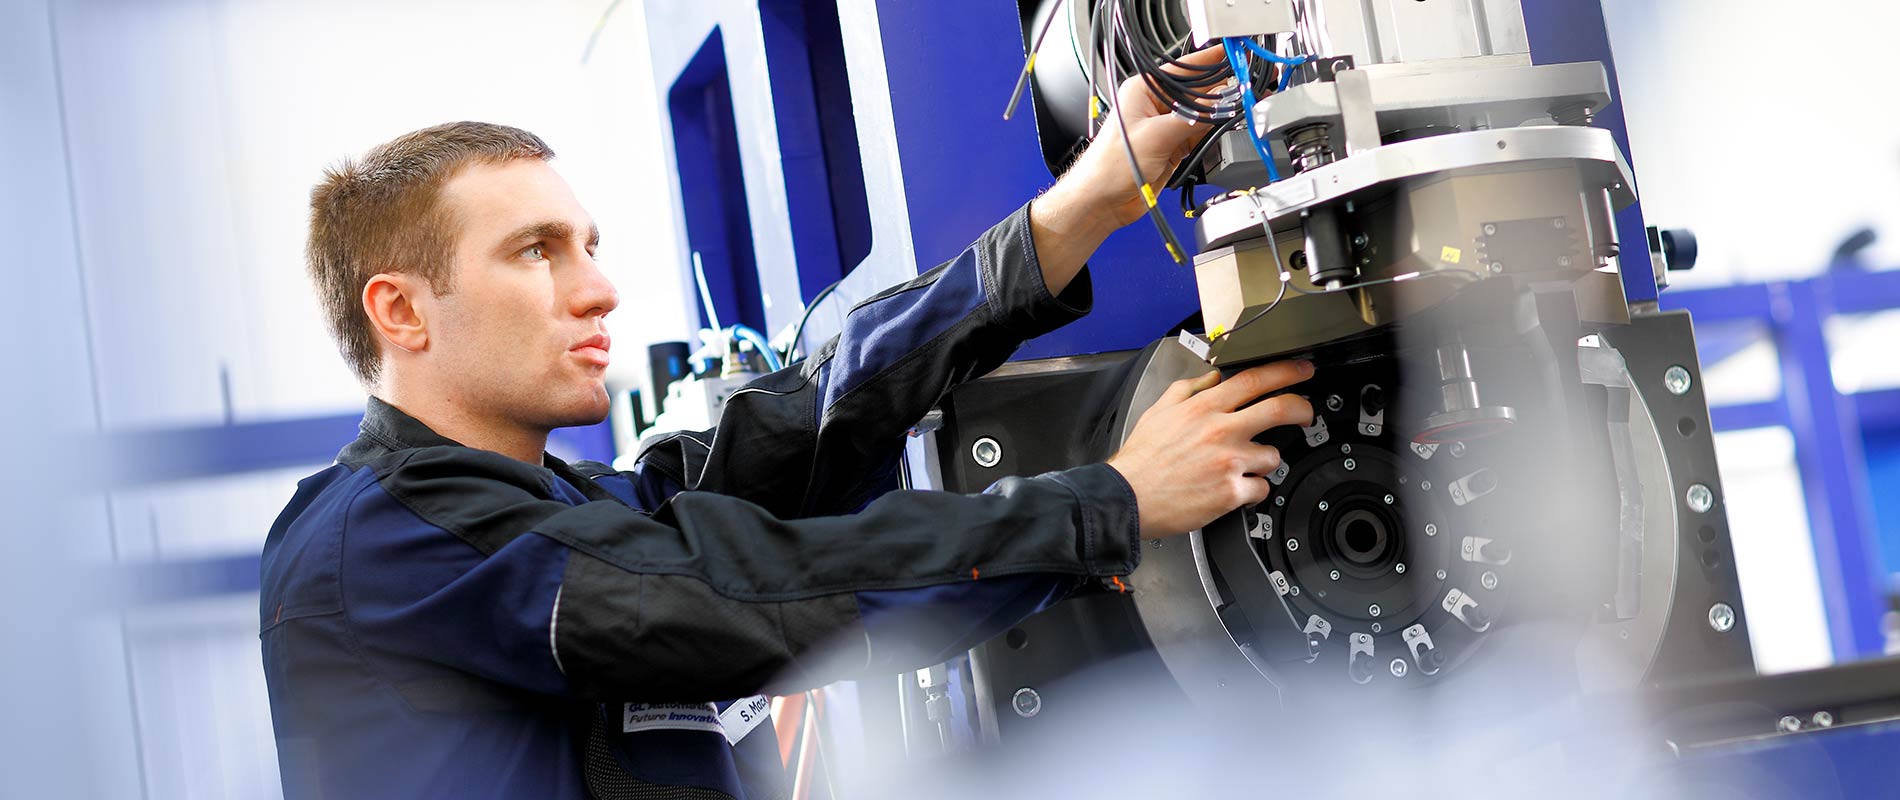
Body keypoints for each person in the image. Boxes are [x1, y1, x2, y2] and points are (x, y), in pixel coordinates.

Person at [260, 61, 1316, 799]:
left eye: (588, 244)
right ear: (399, 309)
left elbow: (796, 429)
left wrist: (1076, 211)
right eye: (536, 251)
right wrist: (1112, 503)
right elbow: (736, 593)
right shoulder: (379, 541)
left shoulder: (557, 511)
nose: (599, 290)